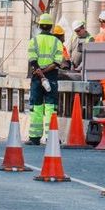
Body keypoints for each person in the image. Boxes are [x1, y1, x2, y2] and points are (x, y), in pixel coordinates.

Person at [27, 12, 66, 144]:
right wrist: (45, 72)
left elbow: (32, 61)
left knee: (36, 107)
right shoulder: (57, 42)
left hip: (37, 77)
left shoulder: (33, 41)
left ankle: (34, 137)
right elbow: (57, 62)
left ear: (39, 26)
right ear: (50, 27)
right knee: (51, 107)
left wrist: (39, 72)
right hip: (51, 77)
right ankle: (51, 137)